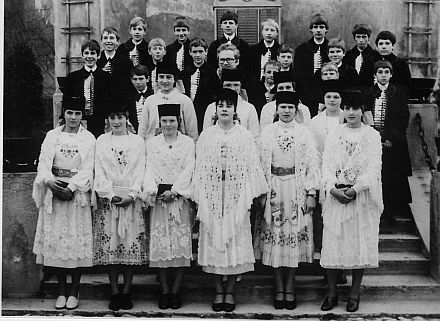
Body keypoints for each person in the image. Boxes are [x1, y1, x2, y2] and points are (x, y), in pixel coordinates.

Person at [194, 88, 268, 312]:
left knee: (235, 238)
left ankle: (231, 292)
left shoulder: (243, 135)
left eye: (228, 105)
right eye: (220, 105)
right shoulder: (208, 134)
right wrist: (202, 195)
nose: (224, 109)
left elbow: (252, 165)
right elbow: (200, 167)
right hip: (213, 192)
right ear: (215, 110)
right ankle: (218, 291)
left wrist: (251, 192)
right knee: (214, 238)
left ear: (235, 110)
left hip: (236, 193)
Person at [320, 91, 383, 313]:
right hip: (336, 196)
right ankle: (331, 292)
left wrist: (355, 190)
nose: (351, 112)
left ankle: (354, 292)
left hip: (360, 198)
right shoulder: (334, 134)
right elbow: (326, 164)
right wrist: (331, 188)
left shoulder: (372, 135)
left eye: (356, 108)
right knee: (333, 242)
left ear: (363, 111)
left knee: (359, 243)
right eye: (347, 108)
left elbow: (373, 168)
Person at [258, 91, 320, 310]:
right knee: (275, 236)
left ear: (296, 110)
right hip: (273, 188)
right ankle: (278, 287)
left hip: (296, 188)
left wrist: (311, 193)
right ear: (276, 109)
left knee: (293, 235)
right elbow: (259, 164)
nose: (286, 111)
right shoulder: (267, 132)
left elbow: (313, 164)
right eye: (282, 107)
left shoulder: (304, 133)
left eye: (290, 108)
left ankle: (290, 287)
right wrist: (261, 193)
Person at [32, 96, 96, 310]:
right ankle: (61, 290)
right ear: (64, 114)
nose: (73, 118)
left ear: (82, 116)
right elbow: (43, 162)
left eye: (78, 114)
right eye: (70, 113)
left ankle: (74, 290)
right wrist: (50, 182)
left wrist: (71, 188)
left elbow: (88, 168)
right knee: (58, 241)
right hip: (55, 192)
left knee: (75, 241)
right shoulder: (52, 136)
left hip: (76, 194)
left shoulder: (88, 139)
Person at [93, 101, 149, 311]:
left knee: (128, 247)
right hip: (109, 203)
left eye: (120, 117)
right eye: (112, 118)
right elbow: (99, 170)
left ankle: (127, 291)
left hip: (131, 203)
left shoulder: (137, 141)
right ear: (107, 120)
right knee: (112, 249)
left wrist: (133, 194)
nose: (116, 122)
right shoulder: (102, 141)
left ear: (127, 118)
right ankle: (114, 291)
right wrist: (110, 194)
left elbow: (140, 169)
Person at [143, 103, 195, 310]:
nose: (168, 124)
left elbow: (190, 167)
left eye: (172, 121)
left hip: (179, 198)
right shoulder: (153, 144)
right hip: (159, 199)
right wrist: (154, 190)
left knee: (181, 245)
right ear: (160, 122)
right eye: (164, 121)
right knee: (161, 244)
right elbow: (149, 168)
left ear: (178, 122)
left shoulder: (188, 143)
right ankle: (164, 290)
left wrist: (175, 191)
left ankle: (176, 290)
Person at [363, 60, 412, 222]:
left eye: (386, 72)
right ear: (375, 75)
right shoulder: (368, 93)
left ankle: (391, 208)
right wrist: (375, 138)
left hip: (393, 141)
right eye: (380, 72)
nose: (383, 75)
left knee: (392, 174)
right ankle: (375, 207)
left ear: (391, 74)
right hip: (373, 140)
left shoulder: (399, 92)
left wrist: (391, 137)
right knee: (376, 174)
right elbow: (366, 117)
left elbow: (402, 117)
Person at [64, 40, 113, 138]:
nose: (89, 56)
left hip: (100, 120)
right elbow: (66, 102)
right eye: (86, 53)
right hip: (79, 121)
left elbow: (109, 101)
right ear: (82, 55)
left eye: (93, 53)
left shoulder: (107, 77)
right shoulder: (72, 77)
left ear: (98, 56)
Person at [137, 64, 198, 142]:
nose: (165, 81)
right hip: (153, 148)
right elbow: (142, 130)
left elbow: (192, 132)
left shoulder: (185, 101)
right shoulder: (150, 101)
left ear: (174, 80)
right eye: (161, 77)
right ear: (157, 79)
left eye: (169, 77)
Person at [203, 68, 259, 141]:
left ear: (240, 86)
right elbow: (206, 135)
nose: (232, 89)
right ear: (223, 86)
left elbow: (255, 137)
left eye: (236, 85)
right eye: (228, 85)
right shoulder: (211, 107)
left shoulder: (249, 108)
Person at [294, 13, 330, 113]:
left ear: (326, 29)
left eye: (322, 27)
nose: (318, 30)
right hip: (307, 93)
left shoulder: (331, 48)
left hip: (327, 92)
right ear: (311, 29)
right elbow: (297, 74)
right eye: (315, 27)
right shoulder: (301, 49)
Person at [181, 38, 217, 133]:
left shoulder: (212, 72)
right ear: (190, 52)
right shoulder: (185, 73)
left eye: (200, 51)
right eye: (195, 52)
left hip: (204, 111)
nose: (197, 55)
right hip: (188, 111)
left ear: (206, 52)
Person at [207, 10, 250, 74]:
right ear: (221, 25)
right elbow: (211, 66)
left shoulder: (243, 45)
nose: (227, 25)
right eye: (225, 23)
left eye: (231, 23)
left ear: (236, 25)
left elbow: (247, 66)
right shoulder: (215, 45)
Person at [343, 24, 376, 89]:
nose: (361, 40)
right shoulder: (348, 55)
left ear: (368, 38)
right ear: (354, 38)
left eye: (364, 37)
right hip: (351, 91)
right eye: (358, 37)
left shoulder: (375, 55)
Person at [249, 19, 280, 86]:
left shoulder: (280, 50)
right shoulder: (253, 50)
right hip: (256, 86)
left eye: (272, 30)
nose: (269, 33)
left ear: (277, 33)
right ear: (262, 32)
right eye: (266, 30)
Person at [125, 64, 153, 133]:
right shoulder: (128, 98)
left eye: (141, 79)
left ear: (147, 79)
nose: (138, 82)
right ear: (131, 80)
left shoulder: (154, 95)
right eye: (135, 79)